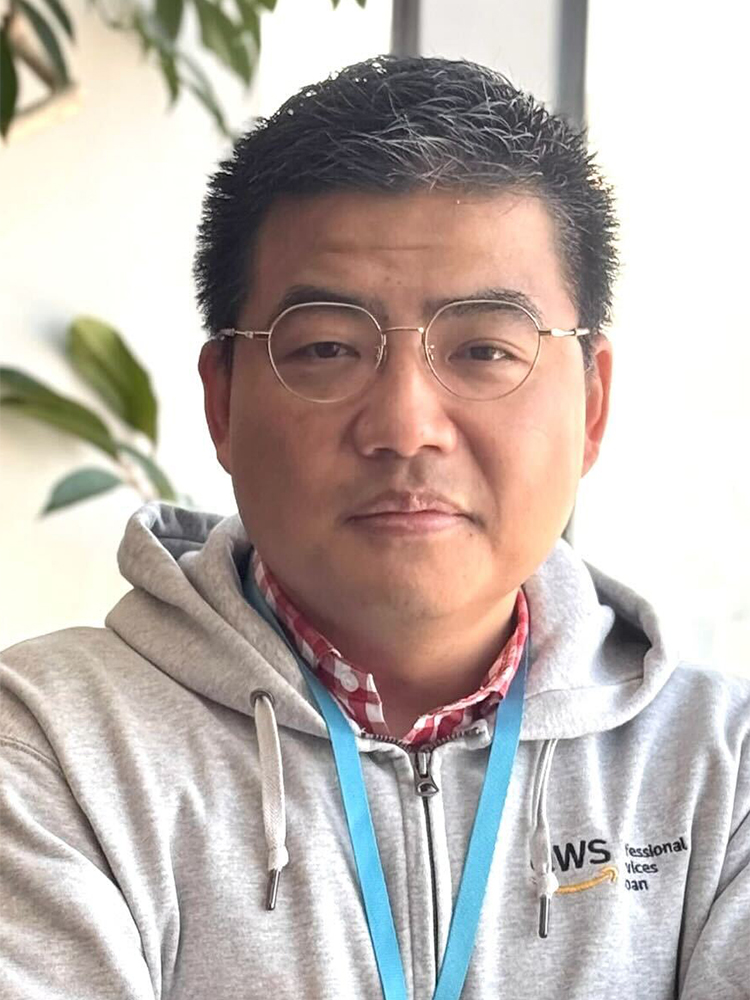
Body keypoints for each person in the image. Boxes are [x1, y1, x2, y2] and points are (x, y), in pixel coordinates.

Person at [1, 55, 747, 1000]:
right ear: (222, 402)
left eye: (484, 350)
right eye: (325, 348)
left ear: (591, 404)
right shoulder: (53, 752)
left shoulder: (720, 776)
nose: (404, 427)